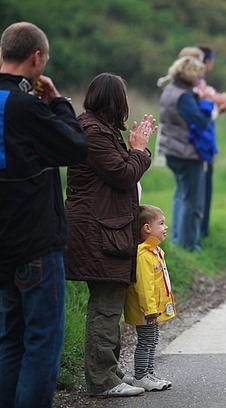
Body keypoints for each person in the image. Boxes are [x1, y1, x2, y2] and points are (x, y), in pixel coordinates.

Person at [0, 22, 88, 408]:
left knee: (9, 339)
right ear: (36, 58)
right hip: (36, 241)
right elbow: (76, 147)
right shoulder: (27, 107)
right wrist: (58, 102)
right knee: (42, 341)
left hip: (3, 242)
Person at [64, 73, 156, 398]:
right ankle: (102, 380)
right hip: (98, 232)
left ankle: (111, 371)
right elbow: (123, 174)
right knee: (104, 306)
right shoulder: (93, 132)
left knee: (110, 303)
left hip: (105, 230)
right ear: (117, 101)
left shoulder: (101, 129)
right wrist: (140, 151)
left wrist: (134, 150)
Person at [157, 55, 215, 251]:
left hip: (171, 150)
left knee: (182, 196)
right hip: (186, 153)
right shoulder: (184, 97)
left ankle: (177, 238)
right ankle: (188, 244)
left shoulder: (170, 90)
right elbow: (202, 121)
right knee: (192, 202)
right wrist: (206, 101)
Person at [124, 205, 175, 391]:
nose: (165, 227)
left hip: (152, 310)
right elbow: (145, 287)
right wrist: (150, 311)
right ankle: (141, 376)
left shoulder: (154, 251)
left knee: (152, 340)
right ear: (147, 228)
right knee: (146, 342)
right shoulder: (143, 255)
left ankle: (149, 373)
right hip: (145, 310)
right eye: (161, 223)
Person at [192, 45, 226, 239]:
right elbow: (201, 118)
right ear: (208, 62)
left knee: (199, 194)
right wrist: (217, 104)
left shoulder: (195, 85)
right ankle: (196, 237)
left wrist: (219, 106)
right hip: (199, 147)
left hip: (204, 145)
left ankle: (200, 235)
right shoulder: (196, 86)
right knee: (197, 196)